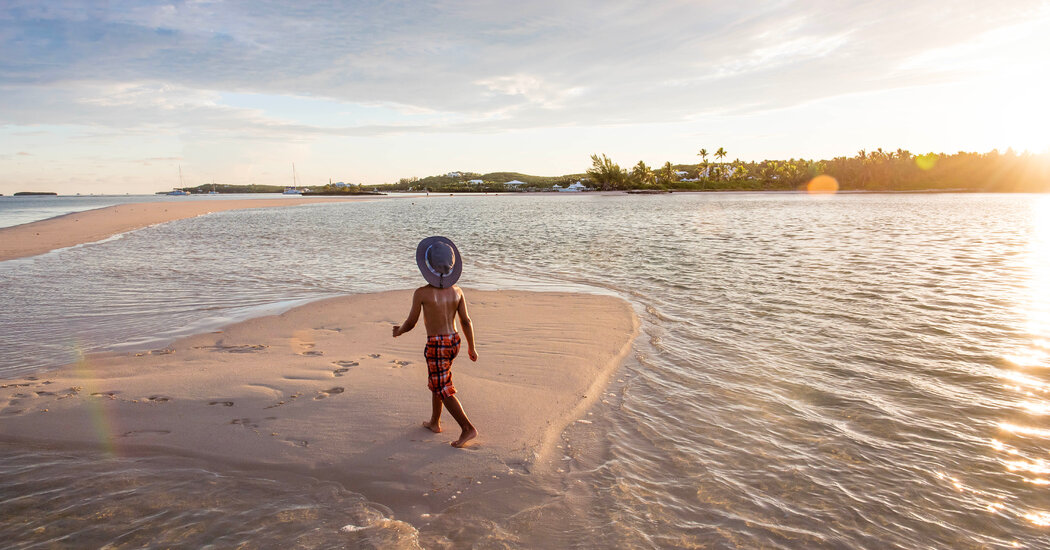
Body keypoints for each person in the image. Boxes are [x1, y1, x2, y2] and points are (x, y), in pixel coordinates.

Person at [392, 236, 479, 448]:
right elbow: (466, 321)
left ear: (427, 267)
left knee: (443, 386)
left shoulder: (422, 293)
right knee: (438, 380)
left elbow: (411, 322)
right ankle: (434, 421)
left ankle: (467, 428)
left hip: (437, 345)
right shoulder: (457, 291)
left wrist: (399, 331)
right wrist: (471, 346)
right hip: (454, 341)